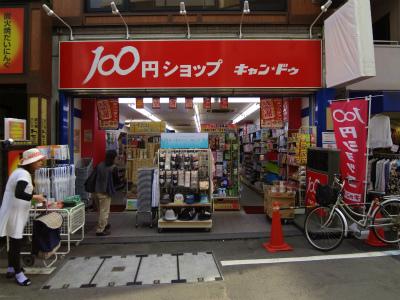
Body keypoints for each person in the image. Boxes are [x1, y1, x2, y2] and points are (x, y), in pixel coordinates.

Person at [0, 148, 47, 286]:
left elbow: (20, 194)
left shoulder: (20, 172)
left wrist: (34, 200)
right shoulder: (23, 174)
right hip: (14, 214)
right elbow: (19, 193)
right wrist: (36, 197)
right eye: (37, 161)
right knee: (15, 244)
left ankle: (11, 268)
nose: (41, 163)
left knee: (12, 242)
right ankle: (19, 274)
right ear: (30, 162)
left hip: (14, 212)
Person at [92, 150, 125, 236]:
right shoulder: (113, 168)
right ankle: (100, 230)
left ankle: (104, 224)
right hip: (104, 193)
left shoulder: (100, 165)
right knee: (104, 211)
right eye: (116, 157)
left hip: (95, 191)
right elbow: (117, 181)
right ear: (113, 157)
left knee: (100, 210)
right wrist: (123, 181)